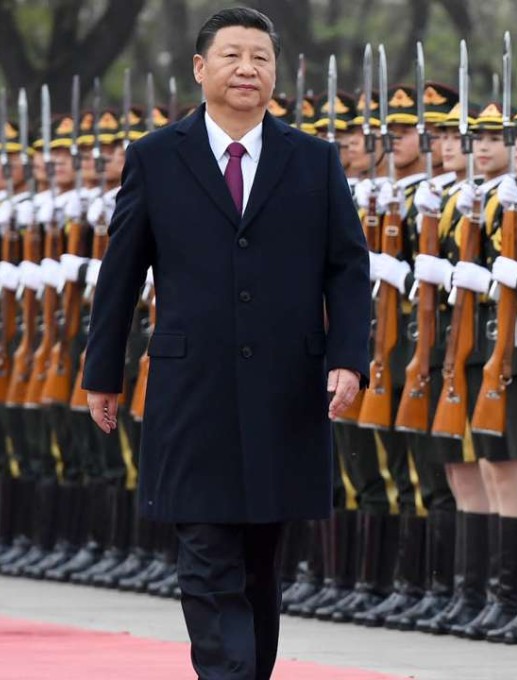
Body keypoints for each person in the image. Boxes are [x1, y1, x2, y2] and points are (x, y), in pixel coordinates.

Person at [80, 8, 371, 678]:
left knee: (261, 565)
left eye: (261, 58)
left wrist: (348, 359)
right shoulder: (156, 157)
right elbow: (120, 272)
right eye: (233, 55)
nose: (248, 69)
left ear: (277, 73)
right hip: (193, 391)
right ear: (200, 69)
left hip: (286, 390)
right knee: (207, 553)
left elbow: (347, 268)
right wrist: (104, 372)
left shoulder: (313, 159)